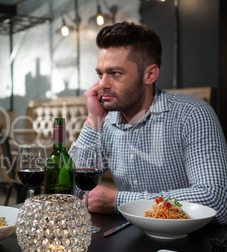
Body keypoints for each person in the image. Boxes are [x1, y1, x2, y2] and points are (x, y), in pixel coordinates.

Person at [75, 21, 227, 224]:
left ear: (150, 74)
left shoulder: (193, 115)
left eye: (115, 73)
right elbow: (69, 190)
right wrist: (93, 121)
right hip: (127, 241)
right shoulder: (106, 120)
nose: (102, 84)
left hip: (192, 243)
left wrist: (119, 201)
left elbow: (215, 200)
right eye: (100, 74)